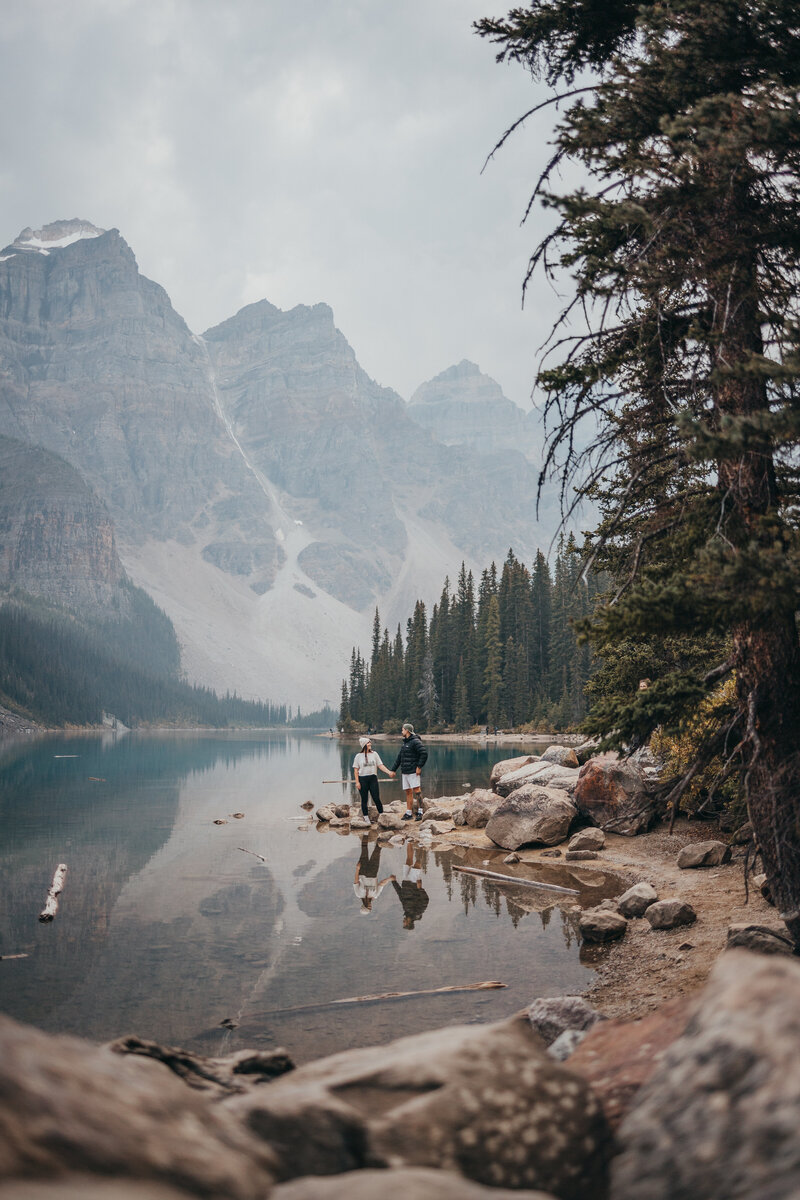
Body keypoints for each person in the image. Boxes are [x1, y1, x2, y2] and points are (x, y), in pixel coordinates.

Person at [390, 722, 428, 821]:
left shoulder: (415, 741)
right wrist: (393, 769)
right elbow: (400, 757)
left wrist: (419, 767)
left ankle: (420, 812)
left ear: (407, 730)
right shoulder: (406, 742)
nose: (401, 731)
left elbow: (424, 753)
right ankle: (408, 813)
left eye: (402, 729)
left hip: (413, 771)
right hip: (405, 771)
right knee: (408, 792)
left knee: (417, 791)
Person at [352, 735, 394, 823]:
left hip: (373, 778)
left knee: (376, 798)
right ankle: (366, 818)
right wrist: (357, 782)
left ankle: (382, 815)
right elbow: (356, 770)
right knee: (364, 799)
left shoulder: (375, 754)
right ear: (364, 745)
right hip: (362, 779)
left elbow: (380, 765)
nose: (370, 744)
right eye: (368, 742)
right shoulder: (358, 756)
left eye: (370, 742)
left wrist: (389, 772)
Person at [391, 842, 429, 930]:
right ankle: (422, 845)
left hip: (405, 883)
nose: (403, 922)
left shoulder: (406, 911)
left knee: (408, 860)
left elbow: (401, 896)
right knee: (417, 863)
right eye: (404, 923)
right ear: (409, 923)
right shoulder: (418, 912)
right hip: (413, 883)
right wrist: (420, 888)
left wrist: (394, 882)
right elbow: (425, 901)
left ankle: (409, 841)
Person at [353, 836, 395, 915]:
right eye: (370, 908)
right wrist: (389, 879)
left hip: (362, 871)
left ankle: (366, 832)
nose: (370, 906)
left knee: (364, 851)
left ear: (364, 905)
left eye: (368, 907)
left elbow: (356, 882)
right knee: (377, 851)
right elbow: (381, 884)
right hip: (373, 873)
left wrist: (357, 869)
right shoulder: (375, 895)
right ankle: (381, 834)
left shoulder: (358, 894)